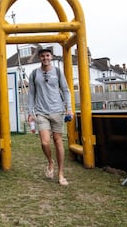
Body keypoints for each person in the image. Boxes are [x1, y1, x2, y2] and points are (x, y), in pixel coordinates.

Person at [27, 48, 73, 186]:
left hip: (57, 111)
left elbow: (65, 90)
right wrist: (30, 112)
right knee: (45, 142)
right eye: (42, 56)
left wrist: (69, 108)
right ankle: (50, 162)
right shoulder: (34, 74)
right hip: (41, 112)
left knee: (58, 141)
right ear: (39, 58)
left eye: (47, 55)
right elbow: (31, 94)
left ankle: (61, 174)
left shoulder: (58, 72)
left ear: (51, 57)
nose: (45, 58)